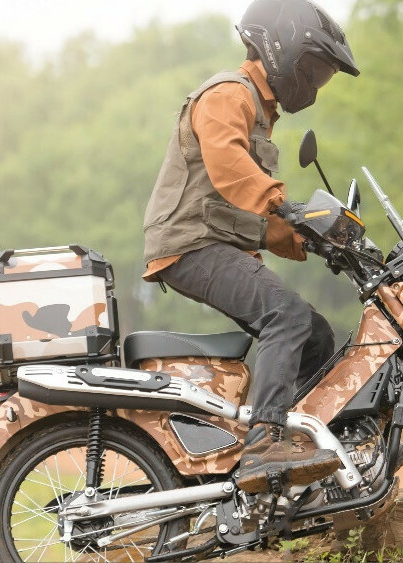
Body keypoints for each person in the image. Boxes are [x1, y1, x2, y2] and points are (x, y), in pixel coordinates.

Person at [140, 0, 360, 494]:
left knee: (316, 337)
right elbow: (230, 168)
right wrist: (287, 205)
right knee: (287, 316)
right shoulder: (228, 95)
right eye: (316, 70)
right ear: (285, 52)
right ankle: (264, 444)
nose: (316, 83)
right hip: (190, 245)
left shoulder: (260, 112)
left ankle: (301, 456)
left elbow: (247, 212)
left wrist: (309, 239)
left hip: (213, 241)